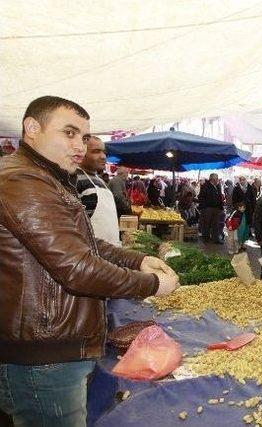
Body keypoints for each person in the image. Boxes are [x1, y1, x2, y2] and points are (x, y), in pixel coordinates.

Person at [0, 96, 179, 427]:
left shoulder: (46, 176)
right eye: (69, 133)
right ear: (32, 129)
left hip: (52, 346)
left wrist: (138, 260)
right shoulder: (22, 180)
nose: (79, 146)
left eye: (83, 137)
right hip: (43, 354)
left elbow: (85, 243)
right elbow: (76, 267)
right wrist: (152, 284)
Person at [76, 136, 121, 246]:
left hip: (111, 251)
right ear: (81, 153)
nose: (103, 157)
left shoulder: (99, 180)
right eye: (96, 152)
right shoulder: (74, 180)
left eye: (104, 152)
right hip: (91, 253)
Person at [198, 173, 225, 243]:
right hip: (208, 208)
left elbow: (219, 197)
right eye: (216, 178)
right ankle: (206, 238)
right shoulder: (205, 186)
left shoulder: (218, 186)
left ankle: (215, 239)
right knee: (207, 223)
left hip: (216, 208)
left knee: (215, 224)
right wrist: (204, 206)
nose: (217, 180)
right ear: (212, 179)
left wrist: (221, 206)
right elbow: (201, 197)